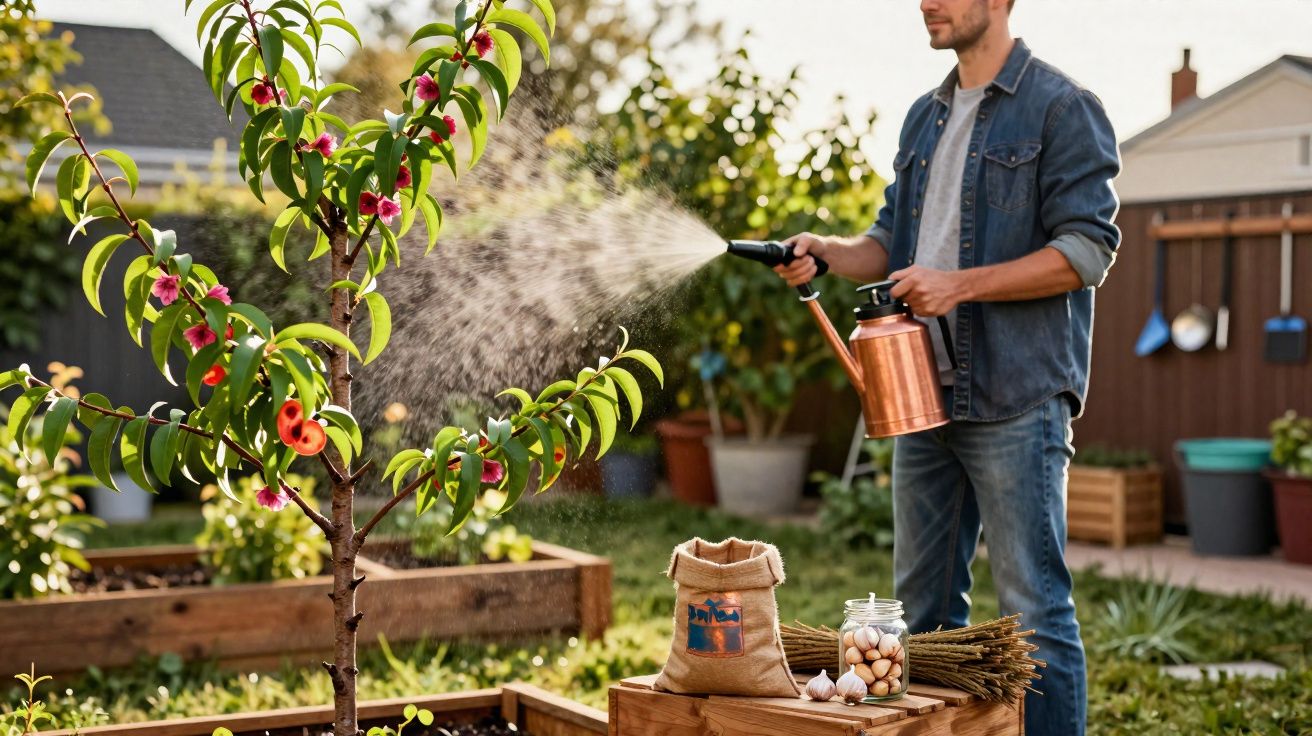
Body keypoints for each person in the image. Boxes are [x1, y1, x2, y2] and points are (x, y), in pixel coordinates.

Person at [774, 1, 1120, 733]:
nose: (926, 2)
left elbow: (1087, 252)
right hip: (923, 396)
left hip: (1016, 398)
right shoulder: (922, 118)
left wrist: (959, 284)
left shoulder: (1062, 108)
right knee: (920, 612)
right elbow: (891, 241)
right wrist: (831, 251)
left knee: (1033, 609)